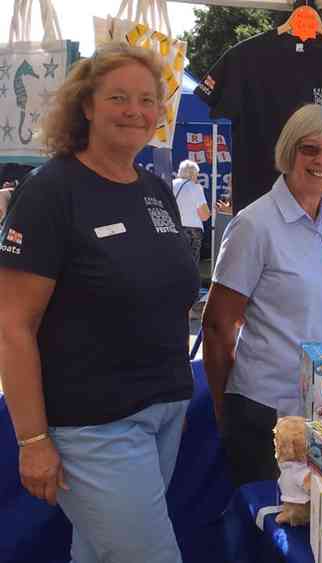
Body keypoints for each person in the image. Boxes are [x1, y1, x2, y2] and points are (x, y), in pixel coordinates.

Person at [0, 42, 198, 563]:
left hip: (165, 410)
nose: (135, 111)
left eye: (147, 99)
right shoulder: (51, 191)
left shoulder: (156, 188)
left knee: (98, 553)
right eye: (118, 97)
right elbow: (12, 325)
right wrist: (32, 439)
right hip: (95, 425)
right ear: (86, 105)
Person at [202, 104, 322, 485]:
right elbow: (218, 324)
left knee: (309, 525)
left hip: (321, 406)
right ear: (289, 152)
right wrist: (225, 409)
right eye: (309, 149)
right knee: (267, 521)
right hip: (262, 410)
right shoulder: (254, 224)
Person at [172, 159, 210, 264]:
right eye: (197, 174)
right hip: (192, 231)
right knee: (191, 264)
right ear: (193, 173)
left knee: (176, 263)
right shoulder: (195, 187)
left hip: (174, 229)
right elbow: (204, 215)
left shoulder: (170, 184)